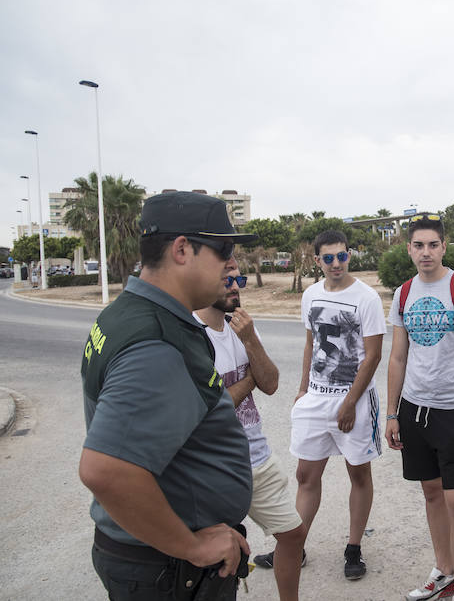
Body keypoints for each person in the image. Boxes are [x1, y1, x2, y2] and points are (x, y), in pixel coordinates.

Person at [79, 191, 258, 600]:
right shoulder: (156, 342)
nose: (231, 264)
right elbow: (105, 470)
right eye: (223, 249)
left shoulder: (127, 313)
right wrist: (193, 547)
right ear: (182, 249)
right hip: (168, 570)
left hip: (155, 559)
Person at [385, 215, 454, 601]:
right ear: (409, 248)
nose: (426, 252)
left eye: (433, 245)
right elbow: (397, 358)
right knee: (431, 494)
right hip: (415, 411)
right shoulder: (402, 294)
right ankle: (444, 572)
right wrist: (392, 412)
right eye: (418, 245)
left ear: (444, 247)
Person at [194, 268, 307, 601]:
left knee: (293, 534)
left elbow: (270, 382)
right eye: (228, 280)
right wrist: (249, 380)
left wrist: (250, 339)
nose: (235, 287)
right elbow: (211, 410)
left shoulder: (238, 330)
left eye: (239, 281)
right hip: (215, 468)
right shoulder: (193, 336)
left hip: (257, 459)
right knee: (219, 555)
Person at [289, 230, 385, 581]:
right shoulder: (311, 294)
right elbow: (310, 343)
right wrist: (302, 389)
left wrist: (349, 403)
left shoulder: (367, 298)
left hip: (354, 401)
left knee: (358, 473)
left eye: (342, 256)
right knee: (305, 476)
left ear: (349, 255)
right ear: (317, 261)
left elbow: (373, 356)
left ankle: (354, 548)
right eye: (328, 258)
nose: (336, 264)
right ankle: (294, 547)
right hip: (316, 397)